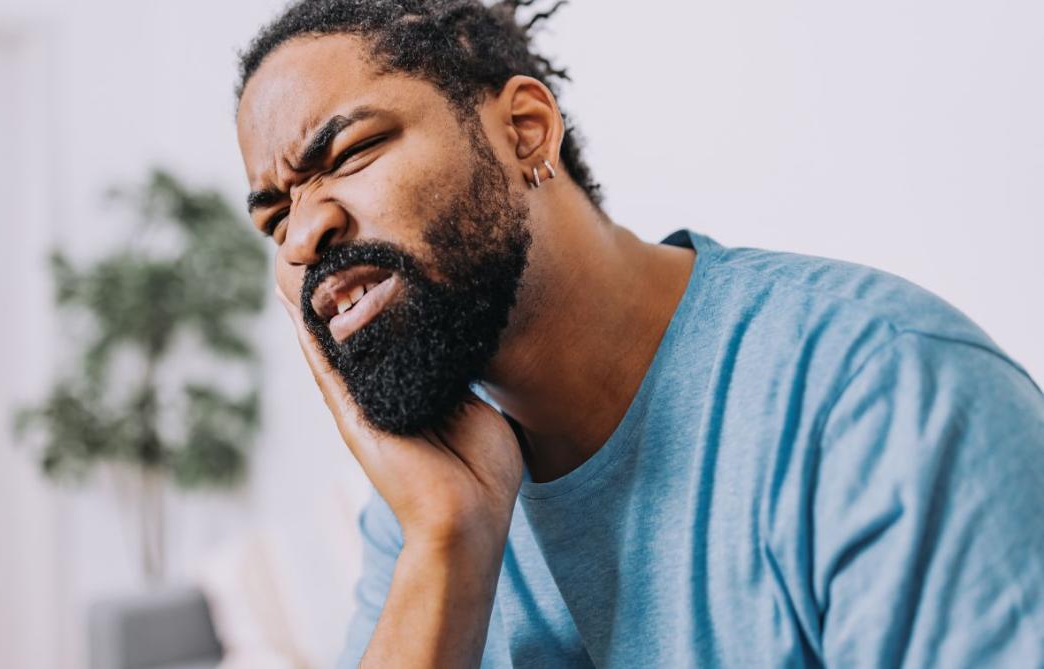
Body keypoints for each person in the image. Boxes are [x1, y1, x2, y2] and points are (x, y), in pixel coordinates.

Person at [233, 1, 1044, 666]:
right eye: (274, 218)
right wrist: (445, 539)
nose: (303, 237)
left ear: (525, 131)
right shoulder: (429, 495)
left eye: (351, 150)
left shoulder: (882, 398)